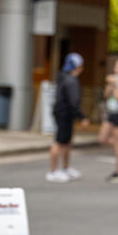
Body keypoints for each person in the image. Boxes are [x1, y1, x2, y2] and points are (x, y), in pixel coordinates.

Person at [47, 52, 89, 183]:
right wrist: (82, 117)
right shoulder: (71, 81)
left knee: (66, 141)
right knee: (60, 141)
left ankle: (65, 168)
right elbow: (74, 101)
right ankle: (53, 171)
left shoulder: (62, 77)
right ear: (77, 67)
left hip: (62, 112)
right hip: (64, 114)